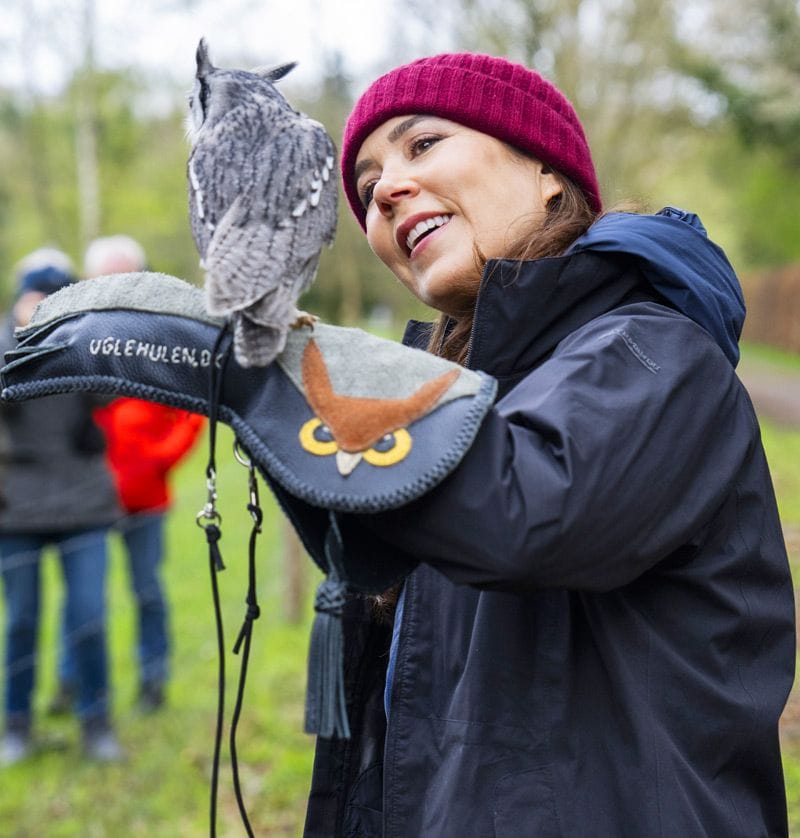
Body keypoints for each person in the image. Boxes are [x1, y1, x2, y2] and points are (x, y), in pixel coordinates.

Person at [280, 54, 795, 835]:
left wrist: (270, 374)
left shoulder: (655, 351)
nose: (385, 191)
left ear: (549, 172)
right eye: (366, 187)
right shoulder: (453, 399)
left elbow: (523, 514)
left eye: (422, 145)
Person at [47, 236, 204, 715]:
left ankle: (152, 681)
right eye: (104, 277)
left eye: (123, 275)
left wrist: (159, 459)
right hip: (86, 496)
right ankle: (69, 682)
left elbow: (194, 411)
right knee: (80, 595)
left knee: (146, 591)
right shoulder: (72, 334)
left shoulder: (164, 334)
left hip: (144, 497)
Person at [0, 248, 123, 764]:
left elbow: (109, 393)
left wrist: (79, 331)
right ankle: (17, 725)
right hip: (15, 503)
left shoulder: (82, 340)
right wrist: (21, 336)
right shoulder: (4, 342)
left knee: (89, 615)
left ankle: (96, 722)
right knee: (23, 619)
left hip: (84, 500)